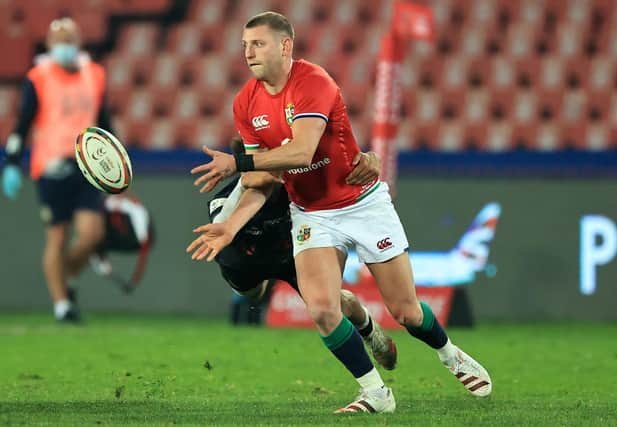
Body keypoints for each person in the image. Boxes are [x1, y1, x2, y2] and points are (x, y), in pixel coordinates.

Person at [188, 11, 492, 414]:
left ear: (285, 46)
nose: (248, 53)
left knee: (406, 311)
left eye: (257, 44)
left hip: (362, 203)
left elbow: (302, 151)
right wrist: (229, 227)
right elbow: (268, 177)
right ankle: (376, 394)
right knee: (322, 309)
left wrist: (238, 164)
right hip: (312, 213)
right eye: (244, 45)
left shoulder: (313, 82)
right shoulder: (246, 102)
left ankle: (450, 355)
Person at [194, 137, 397, 370]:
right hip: (245, 261)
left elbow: (337, 169)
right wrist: (245, 182)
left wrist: (372, 158)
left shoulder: (294, 186)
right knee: (253, 294)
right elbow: (221, 224)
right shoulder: (224, 198)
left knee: (332, 305)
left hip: (290, 253)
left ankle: (371, 332)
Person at [1, 18, 112, 323]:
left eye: (70, 38)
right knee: (58, 235)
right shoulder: (38, 77)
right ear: (49, 45)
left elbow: (104, 123)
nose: (65, 45)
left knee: (92, 234)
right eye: (59, 39)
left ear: (79, 41)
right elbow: (22, 124)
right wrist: (12, 162)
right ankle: (62, 304)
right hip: (51, 165)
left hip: (88, 164)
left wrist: (116, 167)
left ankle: (68, 275)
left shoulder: (95, 75)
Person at [89, 192, 155, 294]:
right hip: (118, 238)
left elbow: (137, 211)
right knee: (93, 246)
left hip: (132, 237)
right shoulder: (102, 208)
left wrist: (142, 236)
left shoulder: (118, 204)